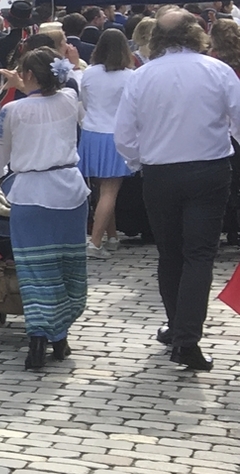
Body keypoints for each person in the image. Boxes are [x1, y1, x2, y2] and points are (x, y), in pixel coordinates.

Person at [113, 8, 240, 371]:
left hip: (160, 173)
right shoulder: (217, 70)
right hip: (208, 170)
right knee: (199, 255)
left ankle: (177, 327)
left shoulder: (142, 76)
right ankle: (186, 338)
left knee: (170, 253)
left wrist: (142, 161)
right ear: (197, 33)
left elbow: (123, 134)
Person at [0, 48, 89, 370]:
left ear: (27, 75)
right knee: (68, 267)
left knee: (35, 272)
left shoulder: (13, 110)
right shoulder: (70, 99)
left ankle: (42, 335)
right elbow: (71, 93)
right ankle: (58, 333)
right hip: (69, 192)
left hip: (30, 193)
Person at [78, 29, 137, 257]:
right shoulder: (130, 76)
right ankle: (95, 243)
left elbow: (84, 100)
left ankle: (111, 237)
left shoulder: (89, 73)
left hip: (92, 133)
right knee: (110, 191)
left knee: (102, 190)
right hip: (116, 135)